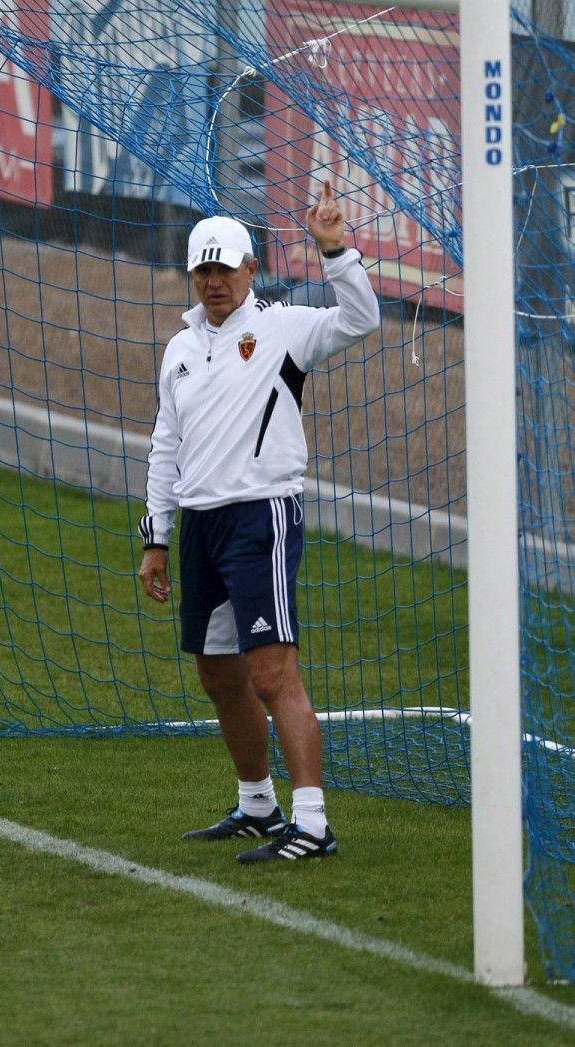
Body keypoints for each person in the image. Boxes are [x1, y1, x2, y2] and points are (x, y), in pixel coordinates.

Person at [138, 181, 380, 863]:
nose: (215, 282)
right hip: (201, 527)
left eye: (226, 268)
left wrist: (334, 249)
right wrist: (156, 535)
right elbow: (166, 442)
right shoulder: (180, 348)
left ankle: (312, 823)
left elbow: (361, 319)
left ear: (251, 268)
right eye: (203, 271)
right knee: (217, 673)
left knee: (272, 671)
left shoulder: (283, 327)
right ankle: (256, 803)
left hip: (262, 517)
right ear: (193, 276)